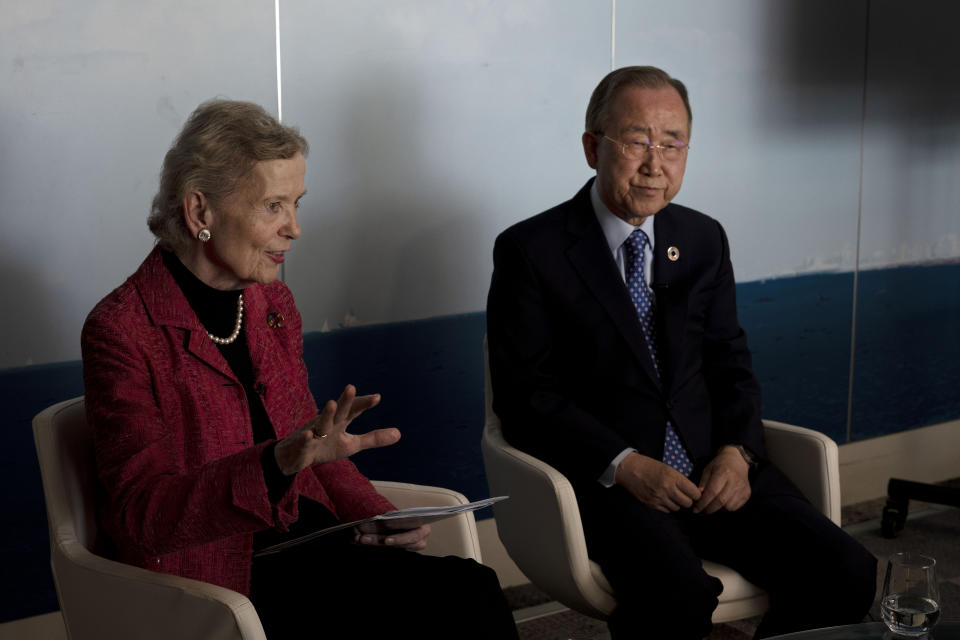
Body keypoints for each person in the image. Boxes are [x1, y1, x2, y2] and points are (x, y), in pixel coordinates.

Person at [82, 99, 518, 639]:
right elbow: (141, 517)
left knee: (470, 588)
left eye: (297, 204)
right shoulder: (122, 329)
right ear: (200, 213)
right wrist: (274, 462)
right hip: (219, 580)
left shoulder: (273, 304)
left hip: (311, 544)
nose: (295, 229)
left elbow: (314, 447)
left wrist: (374, 514)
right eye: (273, 207)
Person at [486, 66, 877, 639]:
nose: (655, 163)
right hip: (608, 483)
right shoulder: (531, 249)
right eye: (637, 141)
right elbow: (526, 397)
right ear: (594, 147)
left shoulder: (701, 238)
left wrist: (738, 452)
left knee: (847, 570)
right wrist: (626, 465)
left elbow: (730, 364)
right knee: (679, 594)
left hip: (713, 474)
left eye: (672, 144)